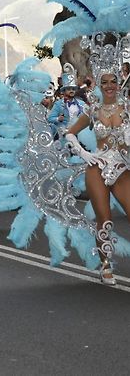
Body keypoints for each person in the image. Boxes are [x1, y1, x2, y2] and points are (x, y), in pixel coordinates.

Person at [65, 35, 130, 286]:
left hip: (123, 167)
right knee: (104, 218)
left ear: (119, 82)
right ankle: (105, 265)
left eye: (114, 81)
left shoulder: (127, 108)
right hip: (97, 167)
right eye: (105, 82)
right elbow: (69, 132)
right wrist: (84, 153)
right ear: (100, 84)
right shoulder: (92, 110)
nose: (110, 85)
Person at [48, 67, 86, 139]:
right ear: (64, 91)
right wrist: (57, 119)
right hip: (64, 135)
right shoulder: (58, 104)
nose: (71, 91)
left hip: (80, 135)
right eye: (69, 89)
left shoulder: (82, 103)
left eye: (73, 89)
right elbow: (50, 118)